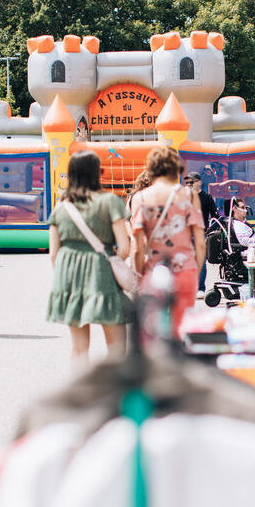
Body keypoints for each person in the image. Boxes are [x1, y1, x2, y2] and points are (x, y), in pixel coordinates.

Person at [47, 150, 131, 368]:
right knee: (116, 345)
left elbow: (53, 253)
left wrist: (66, 275)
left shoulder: (61, 206)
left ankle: (82, 395)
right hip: (101, 272)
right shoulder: (110, 201)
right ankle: (113, 392)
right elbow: (124, 246)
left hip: (68, 275)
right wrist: (111, 263)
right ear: (97, 173)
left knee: (78, 347)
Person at [131, 147, 205, 337]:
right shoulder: (189, 195)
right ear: (176, 168)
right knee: (180, 332)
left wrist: (139, 276)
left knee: (151, 333)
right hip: (185, 270)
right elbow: (200, 242)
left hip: (153, 273)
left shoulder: (139, 198)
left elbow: (138, 247)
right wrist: (194, 272)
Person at [183, 171, 219, 296]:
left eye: (191, 182)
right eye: (187, 182)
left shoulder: (206, 197)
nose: (189, 184)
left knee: (201, 261)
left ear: (199, 182)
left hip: (201, 233)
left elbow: (215, 216)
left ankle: (200, 288)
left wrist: (209, 230)